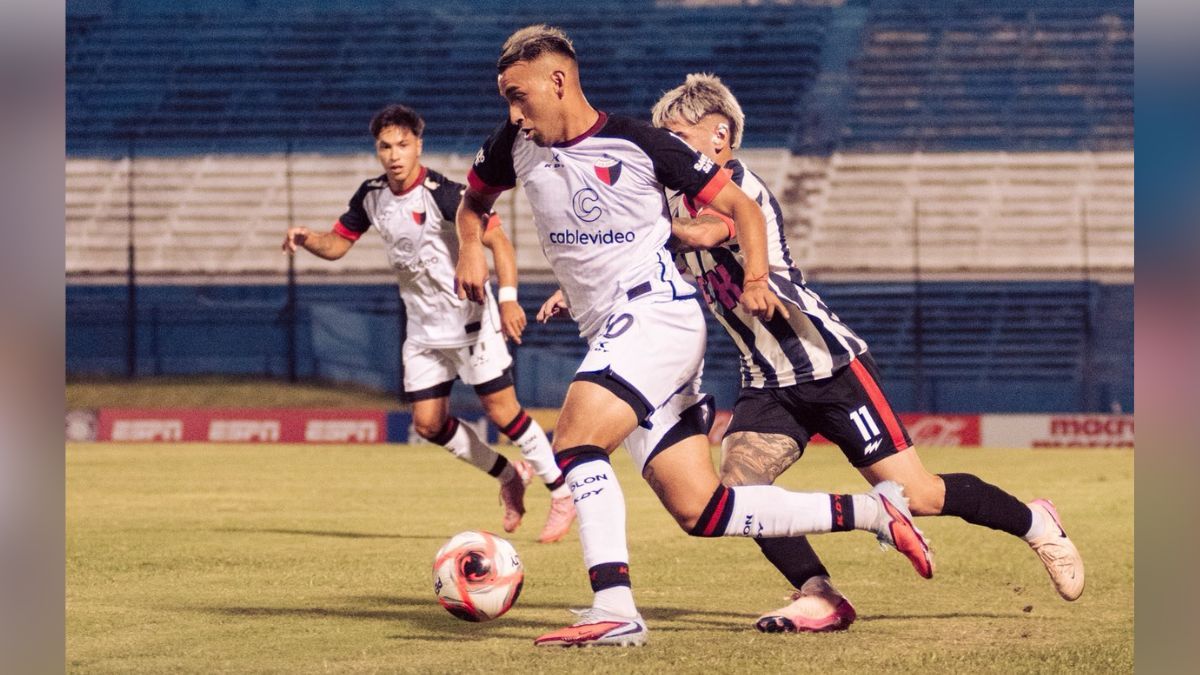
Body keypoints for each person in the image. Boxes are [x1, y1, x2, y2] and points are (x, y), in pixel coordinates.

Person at [454, 25, 933, 648]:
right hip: (616, 332)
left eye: (520, 96)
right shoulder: (512, 144)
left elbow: (743, 207)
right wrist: (470, 248)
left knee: (572, 438)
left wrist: (757, 275)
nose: (513, 111)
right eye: (505, 100)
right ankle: (876, 510)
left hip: (656, 316)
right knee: (702, 510)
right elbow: (473, 204)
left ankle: (615, 606)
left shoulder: (639, 143)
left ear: (559, 81)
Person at [648, 73, 1085, 629]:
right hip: (766, 380)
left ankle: (1037, 523)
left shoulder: (736, 187)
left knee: (919, 495)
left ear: (719, 135)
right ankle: (818, 594)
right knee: (741, 490)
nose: (668, 151)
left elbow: (707, 233)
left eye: (677, 137)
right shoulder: (676, 205)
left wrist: (646, 226)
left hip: (830, 366)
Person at [281, 104, 576, 544]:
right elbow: (337, 246)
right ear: (377, 151)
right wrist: (308, 240)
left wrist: (510, 300)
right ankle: (508, 476)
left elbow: (499, 242)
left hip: (471, 321)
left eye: (403, 144)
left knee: (503, 413)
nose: (395, 154)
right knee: (428, 425)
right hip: (422, 331)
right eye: (386, 146)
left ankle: (561, 491)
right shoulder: (371, 195)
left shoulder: (443, 194)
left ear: (418, 145)